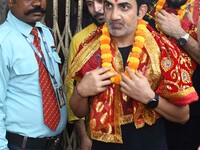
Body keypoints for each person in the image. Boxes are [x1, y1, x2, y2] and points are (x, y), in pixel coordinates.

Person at [67, 0, 199, 149]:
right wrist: (81, 91)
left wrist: (150, 98)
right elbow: (78, 112)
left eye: (124, 7)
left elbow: (183, 116)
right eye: (109, 6)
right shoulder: (89, 49)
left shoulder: (163, 51)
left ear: (141, 12)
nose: (114, 15)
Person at [0, 0, 67, 149]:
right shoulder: (3, 42)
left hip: (55, 143)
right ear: (10, 1)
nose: (38, 3)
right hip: (22, 145)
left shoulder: (46, 33)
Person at [144, 0, 200, 149]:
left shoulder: (197, 8)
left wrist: (179, 33)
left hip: (193, 115)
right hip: (150, 108)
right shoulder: (147, 6)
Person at [66, 0, 105, 149]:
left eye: (101, 2)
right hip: (95, 131)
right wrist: (84, 136)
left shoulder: (138, 35)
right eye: (90, 4)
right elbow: (72, 88)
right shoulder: (80, 40)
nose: (97, 9)